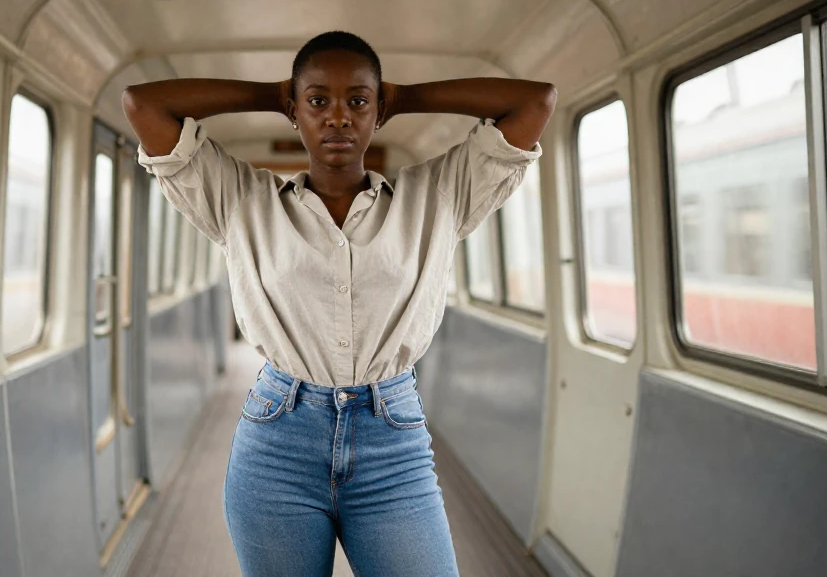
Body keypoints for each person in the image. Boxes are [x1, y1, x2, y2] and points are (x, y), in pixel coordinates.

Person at [123, 31, 556, 577]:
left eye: (357, 101)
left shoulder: (437, 198)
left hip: (391, 445)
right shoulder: (241, 200)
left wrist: (401, 98)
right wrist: (276, 94)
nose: (338, 118)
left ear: (378, 112)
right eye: (317, 102)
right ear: (295, 111)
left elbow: (535, 102)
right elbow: (144, 105)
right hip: (277, 441)